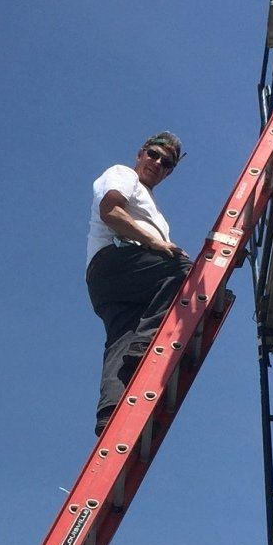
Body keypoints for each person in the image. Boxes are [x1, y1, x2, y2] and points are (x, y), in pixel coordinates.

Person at [85, 132, 191, 434]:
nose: (157, 163)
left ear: (169, 171)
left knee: (122, 340)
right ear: (140, 153)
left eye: (166, 162)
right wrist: (155, 243)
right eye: (153, 154)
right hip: (115, 263)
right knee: (184, 271)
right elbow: (111, 211)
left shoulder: (155, 210)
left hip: (122, 284)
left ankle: (110, 415)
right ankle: (146, 345)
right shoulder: (122, 175)